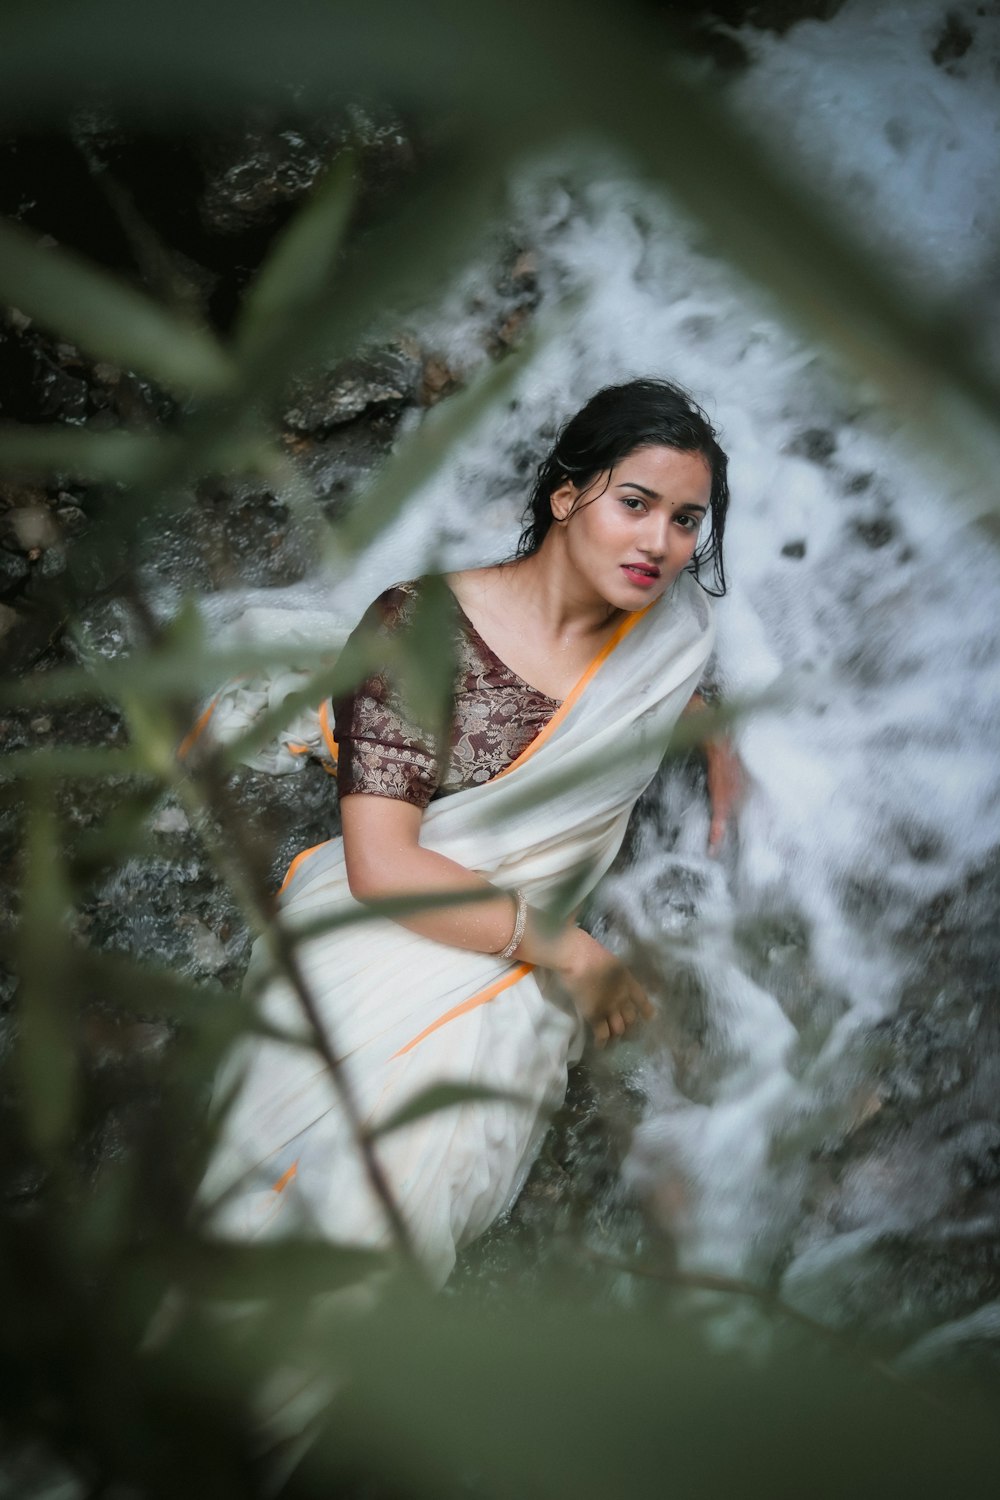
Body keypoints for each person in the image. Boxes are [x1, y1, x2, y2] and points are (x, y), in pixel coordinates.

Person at [197, 377, 741, 1285]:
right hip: (392, 914)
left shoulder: (670, 628)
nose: (660, 543)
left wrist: (717, 734)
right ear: (568, 495)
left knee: (415, 1182)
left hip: (505, 952)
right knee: (295, 1169)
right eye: (636, 504)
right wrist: (573, 955)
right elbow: (381, 866)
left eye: (687, 520)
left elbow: (645, 675)